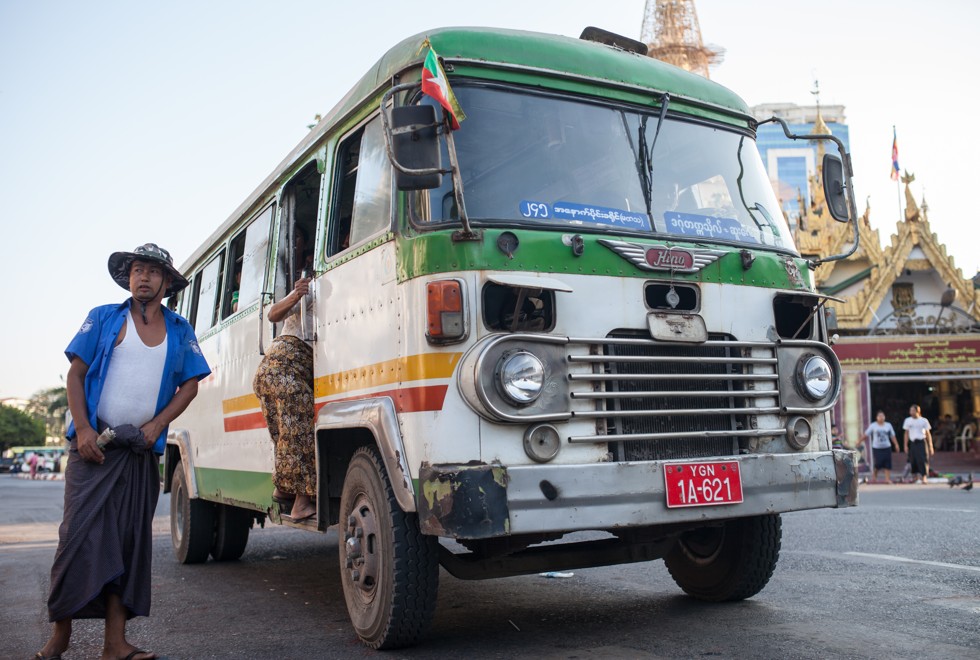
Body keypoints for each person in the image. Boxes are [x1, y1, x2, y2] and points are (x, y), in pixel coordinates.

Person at [35, 243, 211, 660]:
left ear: (167, 282)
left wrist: (155, 425)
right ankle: (59, 637)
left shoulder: (180, 329)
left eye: (152, 271)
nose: (143, 278)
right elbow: (76, 375)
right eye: (136, 270)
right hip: (93, 448)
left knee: (128, 544)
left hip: (138, 453)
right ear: (128, 278)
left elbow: (191, 384)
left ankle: (114, 645)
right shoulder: (103, 317)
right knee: (75, 539)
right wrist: (82, 429)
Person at [252, 226, 316, 521]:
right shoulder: (304, 289)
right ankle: (301, 499)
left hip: (273, 366)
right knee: (302, 420)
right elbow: (272, 314)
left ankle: (283, 489)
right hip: (284, 360)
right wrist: (296, 294)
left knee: (286, 430)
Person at [860, 411, 899, 484]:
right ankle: (874, 478)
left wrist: (896, 444)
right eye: (879, 416)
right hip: (877, 447)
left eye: (882, 416)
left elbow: (892, 436)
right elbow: (866, 434)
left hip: (887, 446)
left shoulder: (888, 425)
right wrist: (859, 441)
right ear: (877, 417)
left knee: (888, 463)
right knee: (878, 463)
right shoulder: (873, 425)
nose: (881, 417)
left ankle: (887, 479)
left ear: (884, 417)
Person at [902, 404, 934, 485]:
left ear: (917, 411)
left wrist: (930, 445)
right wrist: (905, 445)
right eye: (910, 410)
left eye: (912, 410)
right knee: (913, 460)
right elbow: (906, 433)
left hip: (921, 442)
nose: (911, 412)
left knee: (923, 459)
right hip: (913, 442)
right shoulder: (908, 420)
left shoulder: (924, 420)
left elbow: (928, 433)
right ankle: (915, 477)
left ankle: (924, 477)